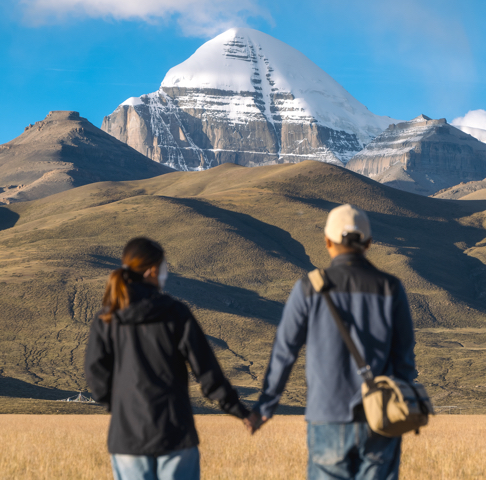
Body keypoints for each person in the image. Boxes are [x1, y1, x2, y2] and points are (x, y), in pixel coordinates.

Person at [246, 204, 416, 480]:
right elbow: (404, 356)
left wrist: (265, 406)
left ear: (327, 242)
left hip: (326, 415)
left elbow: (284, 352)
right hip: (381, 416)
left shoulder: (308, 288)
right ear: (369, 243)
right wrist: (404, 399)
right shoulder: (390, 287)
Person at [85, 237, 250, 480]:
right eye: (163, 267)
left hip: (127, 438)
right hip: (175, 434)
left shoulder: (107, 319)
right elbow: (206, 371)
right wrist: (240, 411)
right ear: (152, 270)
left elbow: (95, 374)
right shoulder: (176, 313)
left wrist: (119, 407)